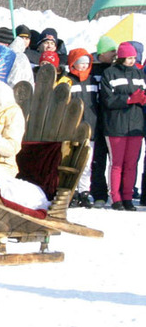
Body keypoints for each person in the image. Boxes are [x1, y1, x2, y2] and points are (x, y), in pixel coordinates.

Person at [99, 41, 145, 211]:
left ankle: (128, 196)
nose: (132, 61)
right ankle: (116, 197)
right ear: (121, 58)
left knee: (132, 163)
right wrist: (127, 99)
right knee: (117, 163)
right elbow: (107, 100)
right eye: (128, 58)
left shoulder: (139, 74)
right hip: (116, 124)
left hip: (135, 123)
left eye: (133, 57)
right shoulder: (109, 73)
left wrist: (143, 98)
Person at [59, 48, 99, 208]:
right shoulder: (66, 80)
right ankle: (70, 190)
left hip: (91, 127)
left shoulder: (92, 80)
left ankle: (84, 191)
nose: (83, 66)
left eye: (86, 63)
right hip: (72, 128)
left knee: (86, 162)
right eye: (80, 63)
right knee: (71, 161)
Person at [90, 35, 118, 207]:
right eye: (111, 51)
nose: (115, 54)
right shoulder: (92, 69)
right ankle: (98, 193)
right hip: (95, 119)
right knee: (97, 159)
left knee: (114, 160)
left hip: (112, 120)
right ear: (102, 52)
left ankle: (117, 192)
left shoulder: (116, 69)